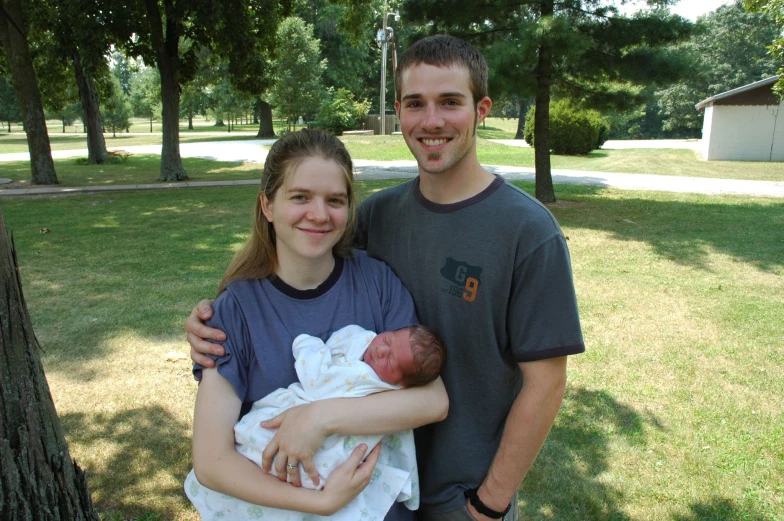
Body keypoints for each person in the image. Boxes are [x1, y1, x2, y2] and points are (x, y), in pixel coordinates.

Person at [187, 35, 585, 521]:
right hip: (380, 484)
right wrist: (210, 322)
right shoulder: (377, 218)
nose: (432, 120)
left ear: (481, 110)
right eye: (416, 103)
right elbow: (297, 262)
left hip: (461, 493)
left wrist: (489, 503)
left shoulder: (528, 232)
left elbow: (546, 385)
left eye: (450, 102)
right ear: (398, 110)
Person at [188, 129, 449, 521]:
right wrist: (321, 503)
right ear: (268, 205)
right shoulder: (234, 312)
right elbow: (211, 460)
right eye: (300, 197)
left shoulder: (376, 282)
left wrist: (318, 418)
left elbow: (432, 400)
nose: (320, 214)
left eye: (335, 200)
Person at [186, 324, 446, 521]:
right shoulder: (235, 309)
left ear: (401, 383)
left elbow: (318, 380)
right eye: (387, 340)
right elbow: (211, 463)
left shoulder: (367, 378)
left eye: (390, 360)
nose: (380, 351)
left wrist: (307, 345)